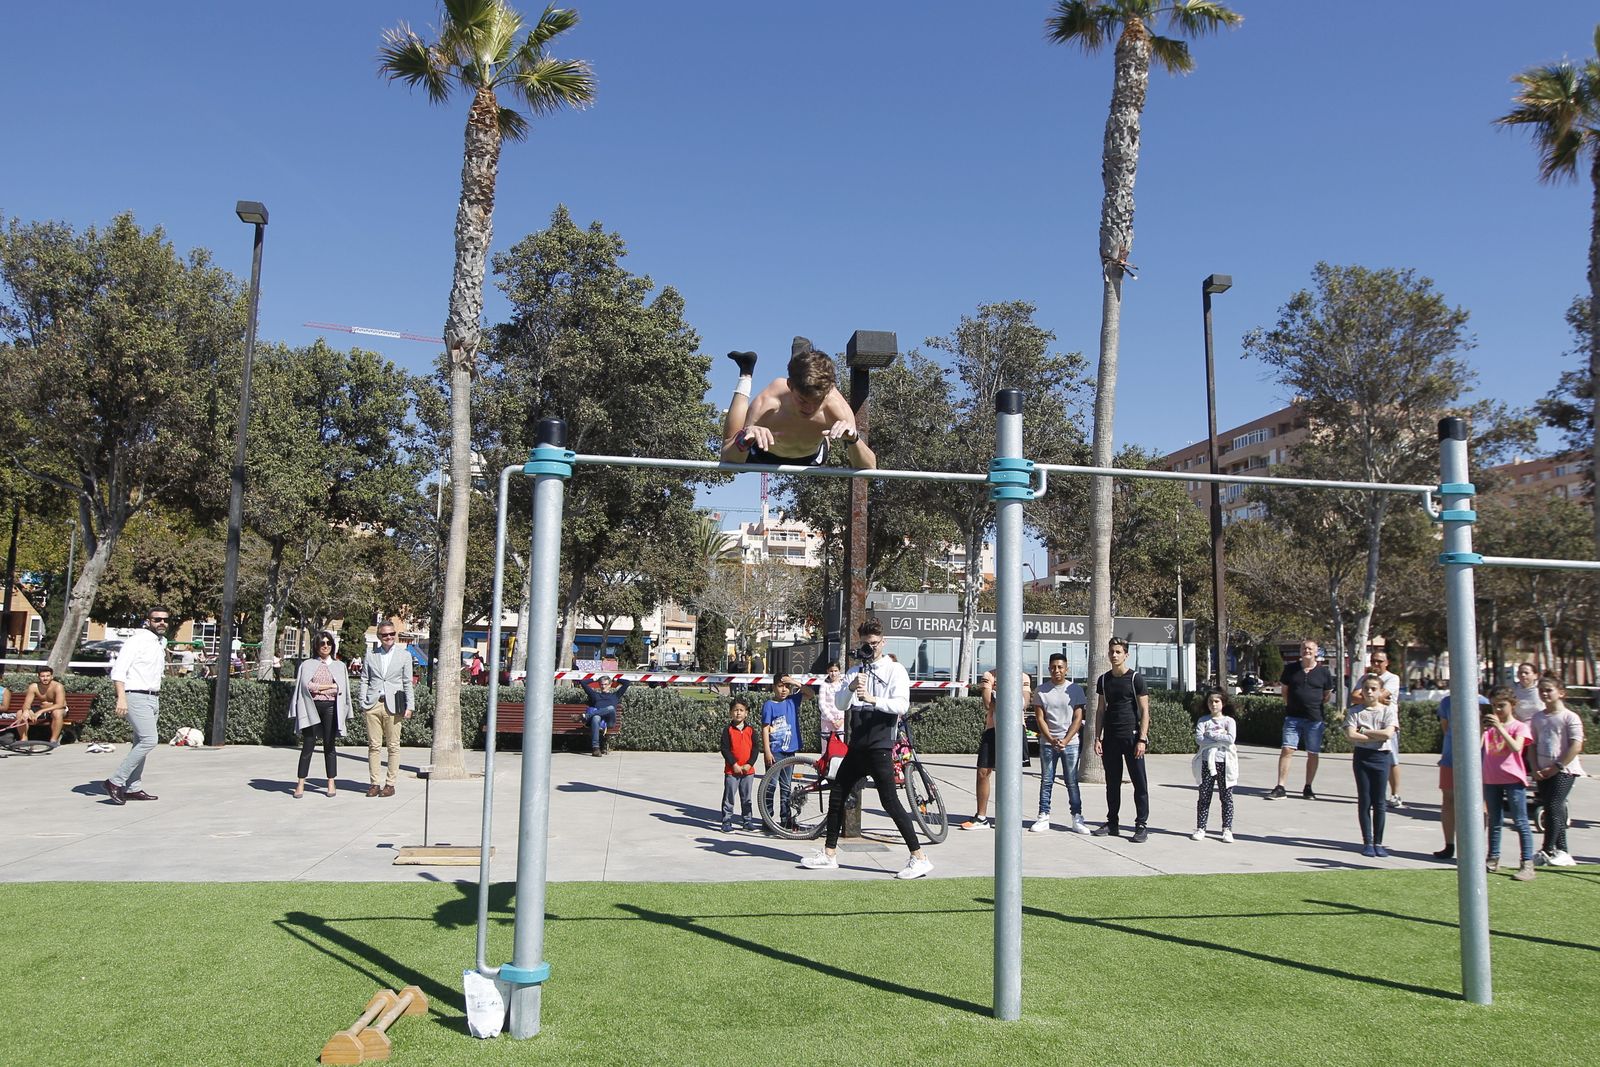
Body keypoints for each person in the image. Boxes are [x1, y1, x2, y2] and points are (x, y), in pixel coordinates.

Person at [801, 620, 933, 879]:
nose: (870, 648)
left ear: (883, 642)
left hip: (880, 745)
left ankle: (919, 857)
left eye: (874, 643)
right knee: (837, 794)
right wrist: (851, 688)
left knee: (890, 802)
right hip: (857, 746)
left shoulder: (894, 670)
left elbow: (901, 705)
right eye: (865, 644)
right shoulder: (854, 671)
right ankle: (829, 854)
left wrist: (874, 699)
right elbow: (841, 704)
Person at [720, 339, 876, 468]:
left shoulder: (836, 407)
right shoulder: (769, 402)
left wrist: (853, 440)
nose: (809, 408)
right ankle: (746, 373)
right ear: (789, 385)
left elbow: (869, 470)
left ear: (828, 392)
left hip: (813, 457)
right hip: (763, 453)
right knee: (737, 436)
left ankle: (801, 358)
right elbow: (727, 463)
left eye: (817, 401)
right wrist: (744, 439)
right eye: (802, 400)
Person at [105, 606, 171, 804]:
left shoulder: (160, 642)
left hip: (153, 697)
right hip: (135, 695)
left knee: (139, 742)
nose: (161, 623)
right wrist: (121, 697)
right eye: (157, 619)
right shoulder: (136, 640)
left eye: (165, 619)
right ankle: (115, 781)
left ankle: (133, 788)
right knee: (149, 740)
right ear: (148, 621)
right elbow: (119, 670)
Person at [1092, 637, 1151, 842]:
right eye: (1112, 652)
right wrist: (1097, 738)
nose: (1114, 655)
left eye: (1118, 652)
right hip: (1111, 739)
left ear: (1126, 655)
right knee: (1112, 783)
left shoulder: (1135, 679)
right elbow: (1100, 710)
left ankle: (1141, 825)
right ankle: (1112, 823)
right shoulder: (1103, 680)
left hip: (1132, 738)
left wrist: (1142, 739)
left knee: (1139, 783)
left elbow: (1145, 711)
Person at [963, 670, 1032, 829]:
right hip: (992, 729)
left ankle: (1009, 817)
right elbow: (988, 703)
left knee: (1011, 775)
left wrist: (1000, 697)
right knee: (983, 772)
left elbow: (1024, 703)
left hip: (1015, 729)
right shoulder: (989, 675)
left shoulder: (1023, 677)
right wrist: (1009, 701)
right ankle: (981, 817)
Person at [1528, 673, 1585, 867]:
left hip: (1564, 771)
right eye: (1541, 691)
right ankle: (1562, 851)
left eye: (1549, 690)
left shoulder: (1570, 717)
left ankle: (1547, 848)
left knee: (1554, 805)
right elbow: (1532, 745)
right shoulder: (1537, 717)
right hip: (1542, 770)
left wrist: (1557, 767)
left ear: (1561, 693)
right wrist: (1535, 768)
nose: (1544, 694)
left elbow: (1576, 745)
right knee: (1552, 807)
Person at [1481, 686, 1536, 881]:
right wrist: (1482, 729)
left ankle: (1527, 863)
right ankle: (1493, 858)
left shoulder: (1519, 727)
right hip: (1491, 778)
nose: (1497, 710)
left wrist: (1500, 728)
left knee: (1520, 821)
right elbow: (1477, 747)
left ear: (1512, 705)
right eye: (1494, 706)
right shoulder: (1489, 728)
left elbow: (1516, 747)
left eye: (1501, 706)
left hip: (1513, 778)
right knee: (1494, 820)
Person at [1031, 653, 1088, 834]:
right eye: (1053, 667)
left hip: (1070, 743)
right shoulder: (1041, 691)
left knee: (1072, 781)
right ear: (1049, 669)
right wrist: (1050, 739)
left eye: (1060, 667)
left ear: (1066, 669)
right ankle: (1043, 816)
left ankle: (1077, 817)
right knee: (1047, 780)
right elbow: (1040, 718)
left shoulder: (1075, 690)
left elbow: (1078, 718)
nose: (1057, 670)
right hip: (1048, 743)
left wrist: (1065, 740)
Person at [1271, 639, 1335, 800]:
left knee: (1312, 753)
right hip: (1293, 718)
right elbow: (1285, 691)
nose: (1307, 651)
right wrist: (1290, 705)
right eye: (1304, 648)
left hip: (1315, 719)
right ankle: (1280, 786)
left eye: (1310, 648)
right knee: (1287, 749)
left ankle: (1308, 787)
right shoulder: (1290, 669)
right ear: (1300, 651)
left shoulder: (1324, 672)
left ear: (1316, 652)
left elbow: (1327, 695)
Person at [1433, 689, 1491, 861]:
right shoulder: (1446, 702)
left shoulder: (1483, 702)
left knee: (1479, 802)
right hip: (1450, 757)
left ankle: (1476, 846)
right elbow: (1446, 728)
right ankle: (1449, 845)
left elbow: (1486, 730)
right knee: (1448, 799)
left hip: (1478, 760)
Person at [292, 632, 351, 798]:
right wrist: (328, 687)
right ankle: (300, 783)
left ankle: (331, 782)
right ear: (316, 646)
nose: (325, 646)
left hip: (331, 708)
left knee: (329, 745)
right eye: (322, 643)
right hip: (311, 707)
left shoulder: (339, 666)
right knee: (308, 745)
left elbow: (340, 689)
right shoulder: (307, 665)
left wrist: (319, 688)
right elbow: (307, 686)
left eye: (328, 643)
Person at [1346, 673, 1399, 858]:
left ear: (1380, 691)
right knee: (1365, 800)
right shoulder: (1355, 711)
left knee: (1379, 801)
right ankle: (1367, 841)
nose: (1369, 692)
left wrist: (1365, 731)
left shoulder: (1388, 711)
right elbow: (1351, 735)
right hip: (1362, 757)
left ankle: (1378, 842)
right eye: (1366, 688)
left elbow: (1388, 734)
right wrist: (1374, 736)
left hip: (1381, 757)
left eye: (1373, 689)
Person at [360, 622, 415, 797]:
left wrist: (410, 706)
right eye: (385, 635)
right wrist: (363, 701)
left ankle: (390, 784)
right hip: (373, 704)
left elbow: (407, 682)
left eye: (392, 633)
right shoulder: (371, 655)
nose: (389, 637)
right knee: (374, 746)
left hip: (394, 705)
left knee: (393, 746)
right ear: (379, 636)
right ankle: (374, 783)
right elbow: (365, 679)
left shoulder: (404, 655)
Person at [760, 673, 806, 829]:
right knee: (771, 785)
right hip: (775, 752)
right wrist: (767, 750)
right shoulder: (769, 705)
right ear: (773, 687)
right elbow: (765, 728)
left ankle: (785, 818)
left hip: (789, 752)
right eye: (780, 686)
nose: (784, 689)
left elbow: (810, 693)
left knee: (786, 787)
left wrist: (794, 682)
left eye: (787, 686)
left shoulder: (792, 701)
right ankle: (767, 817)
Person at [1192, 689, 1239, 842]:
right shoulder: (1203, 721)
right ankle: (1201, 828)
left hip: (1225, 762)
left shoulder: (1229, 721)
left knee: (1226, 797)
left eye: (1217, 701)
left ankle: (1227, 829)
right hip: (1207, 762)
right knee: (1204, 796)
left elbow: (1230, 739)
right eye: (1211, 701)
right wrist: (1220, 737)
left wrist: (1211, 735)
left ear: (1223, 703)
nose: (1213, 704)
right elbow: (1199, 739)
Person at [719, 697, 759, 832]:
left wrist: (749, 764)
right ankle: (726, 821)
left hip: (748, 771)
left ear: (746, 713)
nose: (738, 713)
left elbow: (755, 749)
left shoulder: (751, 730)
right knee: (729, 797)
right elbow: (725, 749)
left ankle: (747, 821)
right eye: (735, 710)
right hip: (732, 771)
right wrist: (734, 764)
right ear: (730, 712)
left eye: (741, 710)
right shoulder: (727, 730)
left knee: (746, 798)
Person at [577, 673, 632, 757]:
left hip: (609, 722)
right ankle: (596, 748)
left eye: (605, 684)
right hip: (598, 722)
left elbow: (627, 683)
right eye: (601, 684)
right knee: (596, 717)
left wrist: (615, 679)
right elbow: (583, 683)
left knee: (611, 708)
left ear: (610, 685)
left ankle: (586, 716)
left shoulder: (615, 695)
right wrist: (595, 679)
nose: (603, 686)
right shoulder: (595, 695)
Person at [15, 666, 68, 748]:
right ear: (39, 677)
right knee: (20, 713)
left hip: (58, 708)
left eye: (48, 676)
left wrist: (40, 712)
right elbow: (26, 704)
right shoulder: (34, 687)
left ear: (52, 676)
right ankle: (23, 740)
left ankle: (53, 740)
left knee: (56, 713)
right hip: (42, 709)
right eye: (42, 676)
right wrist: (26, 711)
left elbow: (60, 704)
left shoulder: (58, 686)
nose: (45, 678)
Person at [817, 661, 847, 746]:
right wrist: (833, 720)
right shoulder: (824, 685)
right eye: (831, 671)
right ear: (827, 671)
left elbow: (847, 703)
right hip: (827, 721)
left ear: (839, 671)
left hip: (840, 722)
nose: (833, 674)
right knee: (826, 748)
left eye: (836, 671)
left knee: (840, 747)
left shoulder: (843, 685)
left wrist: (841, 719)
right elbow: (822, 704)